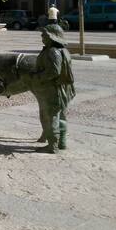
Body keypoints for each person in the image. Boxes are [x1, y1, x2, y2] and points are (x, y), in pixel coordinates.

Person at [27, 24, 75, 153]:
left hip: (53, 89)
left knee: (51, 116)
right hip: (62, 88)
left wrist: (37, 76)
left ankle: (52, 145)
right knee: (61, 116)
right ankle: (62, 142)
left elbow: (53, 72)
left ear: (52, 37)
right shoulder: (62, 50)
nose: (42, 37)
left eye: (44, 35)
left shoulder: (53, 51)